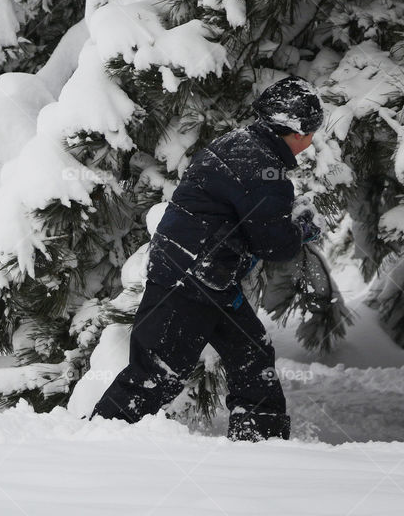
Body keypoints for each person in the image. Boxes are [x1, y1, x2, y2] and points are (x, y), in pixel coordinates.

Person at [86, 76, 325, 441]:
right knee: (157, 372)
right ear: (296, 130)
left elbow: (244, 215)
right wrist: (302, 229)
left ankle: (262, 443)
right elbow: (275, 245)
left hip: (204, 273)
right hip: (193, 276)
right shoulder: (266, 170)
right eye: (311, 132)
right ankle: (98, 441)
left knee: (252, 354)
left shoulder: (237, 143)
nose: (310, 142)